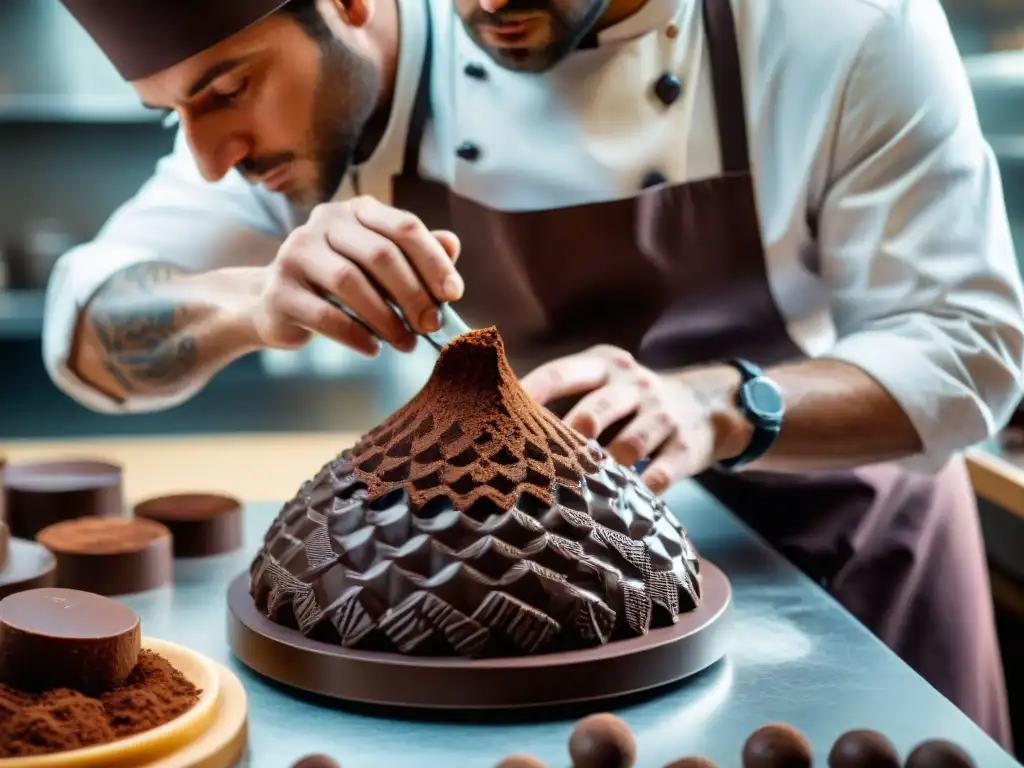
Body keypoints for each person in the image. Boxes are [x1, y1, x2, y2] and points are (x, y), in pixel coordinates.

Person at [52, 0, 1023, 747]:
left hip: (840, 577)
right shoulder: (362, 67)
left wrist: (715, 403)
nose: (210, 158)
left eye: (222, 92)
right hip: (515, 632)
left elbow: (971, 343)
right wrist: (257, 300)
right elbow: (91, 320)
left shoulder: (832, 28)